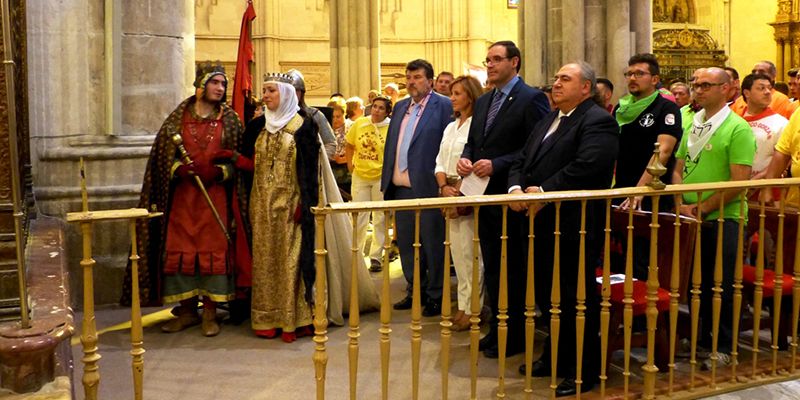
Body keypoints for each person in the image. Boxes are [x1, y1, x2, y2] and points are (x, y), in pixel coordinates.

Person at [508, 61, 618, 397]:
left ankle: (584, 369)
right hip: (539, 222)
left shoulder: (598, 121)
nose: (556, 83)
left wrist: (543, 192)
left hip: (575, 224)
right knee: (546, 293)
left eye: (564, 79)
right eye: (555, 78)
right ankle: (554, 356)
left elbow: (588, 166)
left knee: (574, 297)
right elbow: (521, 159)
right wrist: (514, 189)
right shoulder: (549, 118)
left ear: (586, 87)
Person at [123, 62, 250, 337]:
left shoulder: (230, 120)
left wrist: (220, 171)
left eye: (223, 84)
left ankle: (211, 313)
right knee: (180, 251)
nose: (220, 88)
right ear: (200, 85)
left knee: (214, 252)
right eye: (215, 83)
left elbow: (238, 165)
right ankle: (188, 311)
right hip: (182, 199)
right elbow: (162, 159)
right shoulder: (177, 119)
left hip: (215, 199)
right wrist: (178, 169)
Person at [456, 40, 550, 359]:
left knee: (514, 268)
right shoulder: (483, 101)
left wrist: (498, 164)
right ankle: (497, 329)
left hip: (511, 194)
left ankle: (516, 335)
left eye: (497, 59)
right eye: (488, 60)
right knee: (493, 265)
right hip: (483, 195)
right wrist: (466, 159)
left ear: (515, 62)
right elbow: (473, 142)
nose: (490, 65)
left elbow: (534, 148)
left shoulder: (531, 98)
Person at [674, 67, 755, 369]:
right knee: (696, 283)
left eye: (706, 85)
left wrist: (702, 208)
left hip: (725, 218)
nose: (699, 90)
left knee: (720, 284)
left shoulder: (737, 128)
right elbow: (678, 167)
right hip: (690, 215)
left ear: (727, 89)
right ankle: (698, 338)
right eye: (696, 85)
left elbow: (739, 182)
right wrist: (681, 200)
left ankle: (722, 345)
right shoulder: (693, 124)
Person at [244, 73, 320, 343]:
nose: (265, 96)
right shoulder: (257, 126)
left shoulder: (304, 126)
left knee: (290, 262)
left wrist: (307, 204)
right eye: (264, 91)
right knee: (265, 261)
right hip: (261, 206)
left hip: (291, 207)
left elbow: (312, 173)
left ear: (286, 94)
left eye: (271, 91)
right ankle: (266, 317)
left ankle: (293, 318)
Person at [382, 59, 452, 317]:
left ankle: (436, 294)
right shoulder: (400, 107)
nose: (411, 82)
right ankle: (415, 289)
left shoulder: (443, 106)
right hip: (400, 188)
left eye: (417, 77)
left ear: (430, 81)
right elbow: (393, 144)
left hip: (429, 187)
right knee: (408, 245)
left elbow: (447, 145)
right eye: (408, 78)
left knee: (433, 245)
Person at [434, 75, 485, 332]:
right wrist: (443, 186)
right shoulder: (450, 127)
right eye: (451, 93)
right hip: (448, 191)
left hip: (467, 192)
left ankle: (473, 307)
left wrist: (460, 193)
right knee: (457, 254)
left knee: (471, 254)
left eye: (457, 93)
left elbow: (475, 161)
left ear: (471, 96)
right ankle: (463, 305)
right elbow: (440, 161)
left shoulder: (477, 125)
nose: (451, 97)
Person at [616, 53, 682, 213]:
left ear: (654, 79)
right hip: (621, 186)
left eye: (639, 74)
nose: (632, 78)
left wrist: (640, 191)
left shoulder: (666, 108)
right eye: (629, 74)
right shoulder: (622, 108)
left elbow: (664, 152)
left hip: (650, 191)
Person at [345, 95, 392, 272]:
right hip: (361, 175)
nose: (376, 110)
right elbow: (349, 145)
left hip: (380, 176)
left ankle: (376, 256)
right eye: (374, 106)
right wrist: (351, 165)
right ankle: (355, 253)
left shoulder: (391, 127)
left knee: (380, 217)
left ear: (387, 112)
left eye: (381, 108)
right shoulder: (360, 123)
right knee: (359, 215)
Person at [740, 73, 787, 181]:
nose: (767, 92)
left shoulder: (781, 123)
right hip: (735, 189)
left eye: (769, 88)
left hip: (767, 188)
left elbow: (784, 159)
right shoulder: (735, 121)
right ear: (747, 93)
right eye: (761, 88)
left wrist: (754, 183)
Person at [287, 69, 337, 159]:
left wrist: (316, 163)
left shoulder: (315, 115)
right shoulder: (275, 117)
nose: (292, 95)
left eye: (295, 91)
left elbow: (330, 144)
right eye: (288, 92)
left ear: (301, 93)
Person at [731, 61, 798, 119]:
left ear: (773, 76)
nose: (756, 74)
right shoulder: (739, 100)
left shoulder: (781, 100)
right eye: (754, 72)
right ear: (746, 93)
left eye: (761, 72)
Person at [327, 97, 352, 197]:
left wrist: (345, 159)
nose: (335, 120)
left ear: (344, 114)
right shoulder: (324, 128)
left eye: (338, 116)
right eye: (333, 117)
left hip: (347, 170)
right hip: (330, 168)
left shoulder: (352, 127)